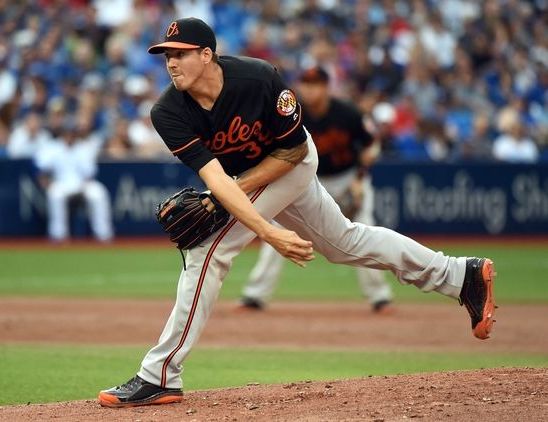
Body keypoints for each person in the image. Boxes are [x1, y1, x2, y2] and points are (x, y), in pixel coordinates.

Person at [98, 17, 497, 409]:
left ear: (206, 55)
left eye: (180, 53)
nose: (170, 62)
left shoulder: (258, 79)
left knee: (209, 251)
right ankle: (461, 275)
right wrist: (245, 215)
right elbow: (217, 180)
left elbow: (294, 152)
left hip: (293, 160)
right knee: (345, 243)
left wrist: (265, 232)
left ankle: (159, 375)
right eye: (165, 54)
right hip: (245, 175)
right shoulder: (167, 111)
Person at [236, 66, 394, 314]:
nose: (310, 90)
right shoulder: (292, 113)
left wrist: (359, 179)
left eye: (315, 84)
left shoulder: (347, 112)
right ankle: (255, 295)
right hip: (310, 182)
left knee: (365, 231)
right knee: (277, 231)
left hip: (347, 180)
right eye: (306, 84)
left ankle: (380, 297)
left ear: (326, 87)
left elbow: (371, 144)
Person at [34, 116, 113, 243]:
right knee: (55, 194)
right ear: (62, 133)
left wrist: (84, 184)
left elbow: (91, 173)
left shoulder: (84, 148)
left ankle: (103, 235)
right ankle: (58, 235)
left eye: (72, 133)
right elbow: (40, 169)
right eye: (67, 133)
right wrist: (46, 184)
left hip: (82, 184)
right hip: (61, 184)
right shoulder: (52, 148)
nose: (69, 136)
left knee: (99, 193)